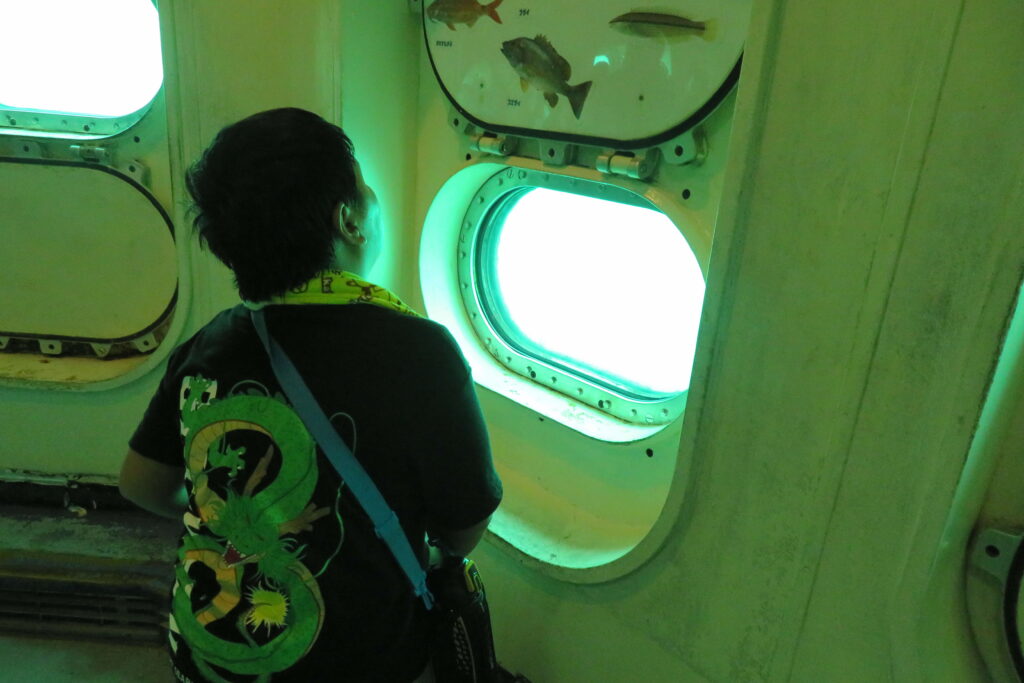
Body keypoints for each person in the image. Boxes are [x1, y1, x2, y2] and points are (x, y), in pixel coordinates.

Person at [119, 108, 503, 683]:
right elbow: (464, 528)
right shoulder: (420, 353)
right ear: (349, 221)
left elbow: (141, 484)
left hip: (208, 658)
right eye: (363, 187)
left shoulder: (210, 345)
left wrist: (246, 524)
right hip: (359, 664)